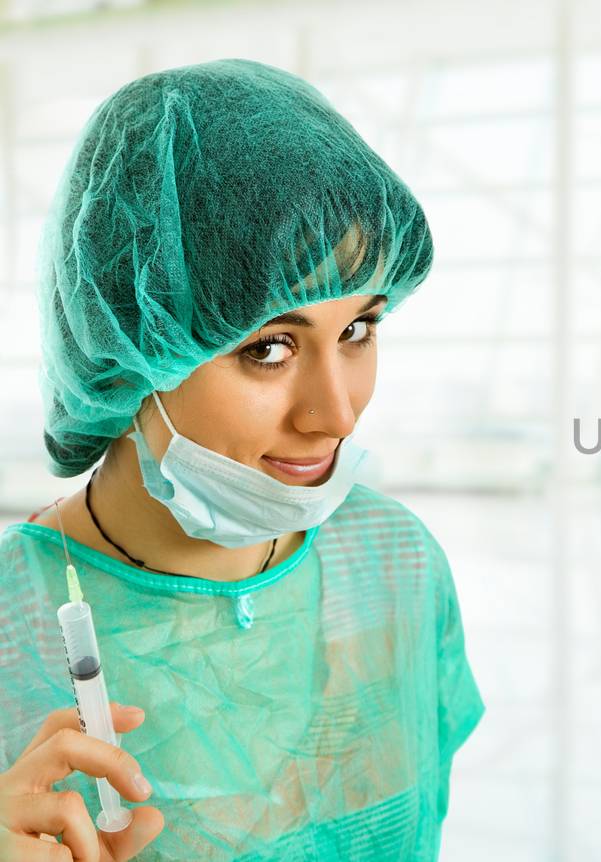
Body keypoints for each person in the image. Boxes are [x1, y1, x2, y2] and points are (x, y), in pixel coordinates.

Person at [0, 60, 483, 861]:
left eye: (359, 330)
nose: (336, 413)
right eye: (270, 347)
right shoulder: (11, 623)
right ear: (129, 343)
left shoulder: (396, 561)